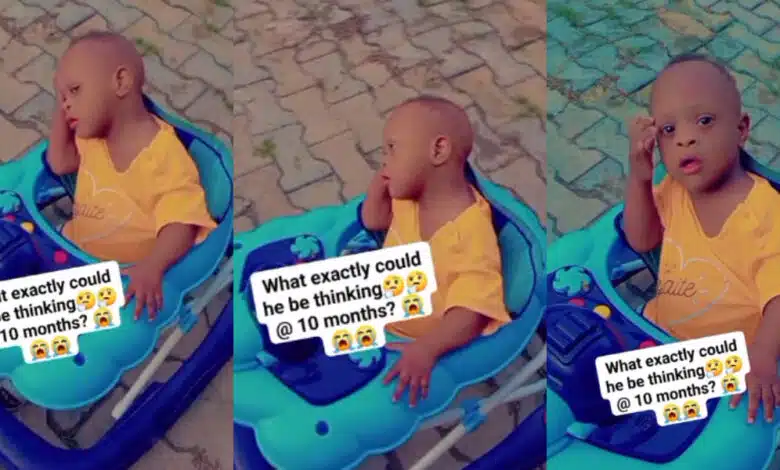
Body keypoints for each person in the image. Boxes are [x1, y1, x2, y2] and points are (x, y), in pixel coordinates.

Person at [623, 54, 780, 423]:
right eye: (668, 130)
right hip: (656, 333)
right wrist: (640, 178)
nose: (685, 139)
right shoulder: (674, 188)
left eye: (704, 121)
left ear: (741, 128)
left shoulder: (764, 212)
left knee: (602, 407)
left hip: (720, 368)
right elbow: (642, 241)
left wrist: (763, 353)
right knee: (584, 386)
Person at [48, 31, 216, 321]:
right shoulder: (92, 136)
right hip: (70, 245)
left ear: (121, 82)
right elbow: (60, 163)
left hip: (115, 276)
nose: (66, 104)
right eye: (63, 97)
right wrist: (64, 102)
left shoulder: (163, 157)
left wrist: (153, 266)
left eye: (75, 90)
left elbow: (181, 224)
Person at [361, 95, 511, 407]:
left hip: (405, 340)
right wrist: (381, 183)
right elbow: (374, 221)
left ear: (438, 150)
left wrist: (426, 349)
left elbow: (472, 312)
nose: (384, 161)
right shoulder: (411, 196)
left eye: (392, 149)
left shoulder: (471, 234)